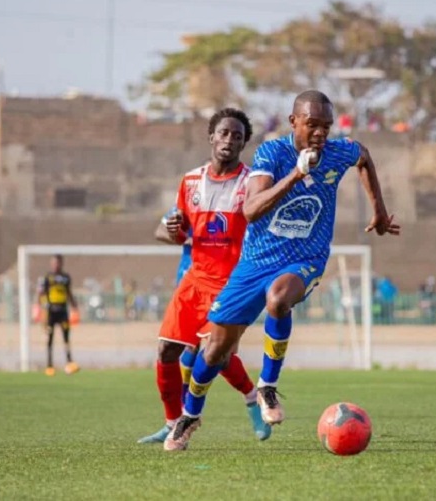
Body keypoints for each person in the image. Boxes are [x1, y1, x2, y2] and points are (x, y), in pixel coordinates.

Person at [164, 89, 400, 451]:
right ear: (294, 122)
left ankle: (267, 387)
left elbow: (364, 157)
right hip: (255, 262)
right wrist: (295, 173)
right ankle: (189, 416)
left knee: (278, 299)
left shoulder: (339, 152)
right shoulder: (272, 153)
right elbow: (251, 210)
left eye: (326, 125)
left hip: (305, 258)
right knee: (215, 352)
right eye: (312, 124)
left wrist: (379, 211)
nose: (320, 132)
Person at [137, 108, 271, 445]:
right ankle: (171, 423)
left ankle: (247, 401)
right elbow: (176, 229)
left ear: (244, 144)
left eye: (237, 136)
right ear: (211, 136)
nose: (229, 140)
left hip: (232, 284)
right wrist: (172, 228)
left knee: (214, 354)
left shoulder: (251, 182)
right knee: (167, 350)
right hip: (194, 279)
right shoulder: (190, 181)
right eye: (224, 133)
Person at [35, 255, 80, 376]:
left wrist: (74, 305)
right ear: (51, 263)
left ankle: (69, 363)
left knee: (66, 337)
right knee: (50, 338)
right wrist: (38, 307)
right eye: (54, 263)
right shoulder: (47, 277)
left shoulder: (66, 277)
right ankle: (49, 365)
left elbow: (69, 292)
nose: (56, 265)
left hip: (63, 311)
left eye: (58, 263)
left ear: (61, 263)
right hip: (50, 311)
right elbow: (40, 292)